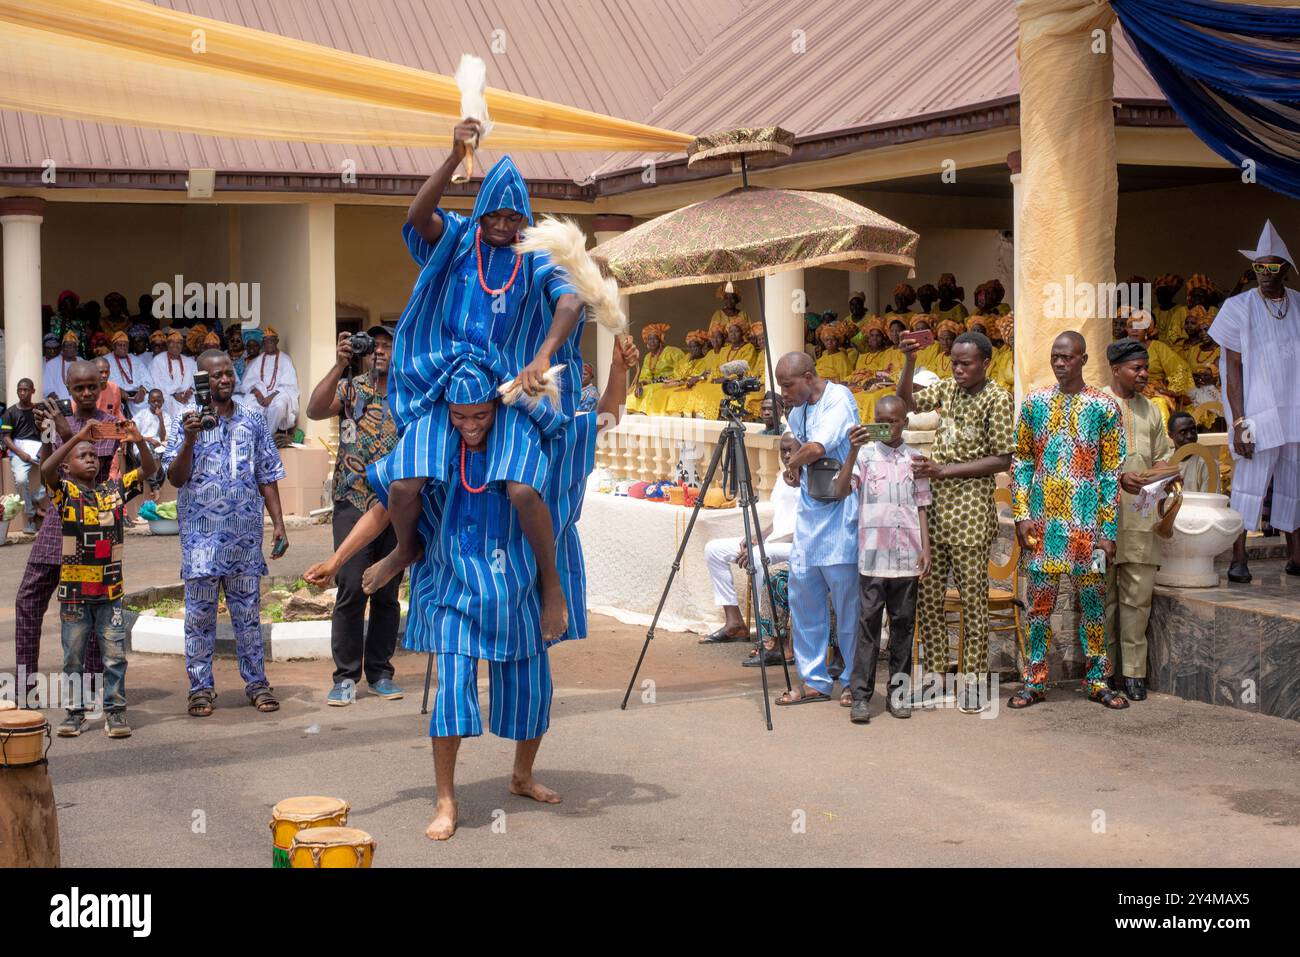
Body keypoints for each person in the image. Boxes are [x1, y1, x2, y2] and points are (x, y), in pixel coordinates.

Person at [311, 337, 639, 840]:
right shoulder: (435, 445)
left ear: (497, 406)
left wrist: (618, 370)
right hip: (453, 587)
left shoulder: (527, 439)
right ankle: (446, 800)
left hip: (518, 586)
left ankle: (522, 775)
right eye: (460, 416)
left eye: (480, 416)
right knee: (452, 694)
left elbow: (601, 424)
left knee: (531, 693)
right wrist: (338, 560)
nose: (469, 426)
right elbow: (384, 505)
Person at [373, 121, 586, 622]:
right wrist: (453, 156)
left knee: (521, 489)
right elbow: (416, 215)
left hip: (510, 389)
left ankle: (551, 585)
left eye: (515, 216)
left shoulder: (536, 255)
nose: (504, 224)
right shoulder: (457, 237)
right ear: (481, 209)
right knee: (404, 485)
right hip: (449, 386)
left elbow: (572, 302)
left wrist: (543, 355)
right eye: (495, 214)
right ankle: (406, 549)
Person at [162, 350, 288, 717]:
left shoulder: (253, 417)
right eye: (215, 375)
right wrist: (188, 439)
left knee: (248, 616)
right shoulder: (182, 421)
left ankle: (257, 683)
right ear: (200, 379)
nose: (224, 379)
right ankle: (200, 688)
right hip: (200, 542)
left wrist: (278, 523)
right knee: (199, 618)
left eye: (229, 373)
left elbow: (267, 473)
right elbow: (174, 477)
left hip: (246, 539)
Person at [897, 330, 1014, 712]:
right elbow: (906, 402)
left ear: (985, 362)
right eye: (954, 363)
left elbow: (1002, 459)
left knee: (973, 605)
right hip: (936, 513)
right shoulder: (948, 389)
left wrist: (943, 470)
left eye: (966, 363)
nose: (959, 369)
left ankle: (975, 683)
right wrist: (911, 361)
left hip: (971, 516)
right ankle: (934, 679)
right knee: (929, 602)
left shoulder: (997, 399)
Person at [1010, 332, 1126, 710]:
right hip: (1043, 529)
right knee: (1039, 605)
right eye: (1055, 357)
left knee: (1093, 603)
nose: (1060, 363)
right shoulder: (1034, 403)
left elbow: (1111, 473)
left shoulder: (1104, 407)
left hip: (1088, 529)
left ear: (1083, 359)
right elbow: (1022, 462)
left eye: (1067, 357)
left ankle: (1097, 680)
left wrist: (1107, 533)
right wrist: (1022, 514)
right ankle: (1035, 681)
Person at [303, 328, 404, 706]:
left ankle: (380, 671)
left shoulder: (407, 393)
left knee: (387, 592)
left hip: (396, 505)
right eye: (374, 345)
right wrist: (339, 363)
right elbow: (314, 410)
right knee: (349, 587)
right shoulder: (350, 389)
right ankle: (345, 675)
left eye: (387, 345)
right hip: (352, 501)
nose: (380, 351)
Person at [41, 417, 154, 738]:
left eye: (93, 454)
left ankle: (115, 713)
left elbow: (149, 469)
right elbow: (47, 469)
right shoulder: (65, 493)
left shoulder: (114, 491)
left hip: (110, 593)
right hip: (75, 595)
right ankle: (75, 714)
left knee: (115, 657)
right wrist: (77, 435)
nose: (90, 458)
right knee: (73, 659)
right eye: (82, 455)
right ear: (68, 467)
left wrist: (137, 440)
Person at [15, 364, 117, 704]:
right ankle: (25, 683)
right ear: (69, 389)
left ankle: (90, 686)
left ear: (101, 385)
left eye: (91, 387)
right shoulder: (58, 421)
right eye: (79, 388)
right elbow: (48, 467)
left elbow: (95, 469)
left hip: (90, 528)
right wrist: (48, 431)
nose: (86, 394)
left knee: (87, 606)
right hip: (56, 524)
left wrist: (63, 429)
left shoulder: (109, 425)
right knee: (28, 600)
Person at [828, 395, 931, 724]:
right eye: (880, 421)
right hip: (872, 558)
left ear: (905, 422)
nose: (886, 427)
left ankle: (898, 695)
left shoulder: (916, 459)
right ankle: (860, 696)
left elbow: (923, 506)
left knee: (903, 628)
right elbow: (839, 491)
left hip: (907, 558)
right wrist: (853, 450)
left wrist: (925, 549)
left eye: (893, 422)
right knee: (868, 629)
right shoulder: (865, 457)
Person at [1210, 220, 1300, 582]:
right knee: (1249, 485)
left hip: (1294, 413)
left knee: (1294, 482)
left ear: (1286, 271)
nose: (1264, 273)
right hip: (1257, 415)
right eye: (1258, 267)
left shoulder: (1297, 304)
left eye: (1272, 267)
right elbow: (1233, 369)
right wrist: (1239, 422)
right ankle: (1238, 557)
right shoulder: (1238, 307)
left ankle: (1295, 556)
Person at [773, 351, 861, 706]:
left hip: (840, 516)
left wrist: (795, 460)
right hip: (809, 517)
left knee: (847, 605)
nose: (784, 392)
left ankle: (856, 678)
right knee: (804, 600)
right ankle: (814, 680)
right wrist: (793, 470)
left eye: (788, 384)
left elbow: (817, 447)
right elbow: (799, 451)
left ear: (809, 376)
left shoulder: (839, 398)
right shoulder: (797, 410)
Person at [1103, 338, 1172, 702]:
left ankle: (1134, 673)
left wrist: (1156, 475)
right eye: (1137, 368)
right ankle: (1105, 672)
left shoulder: (1153, 410)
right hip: (1101, 519)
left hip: (1142, 520)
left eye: (1145, 367)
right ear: (1116, 370)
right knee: (1103, 600)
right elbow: (1080, 462)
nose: (1144, 374)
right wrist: (1118, 477)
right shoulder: (1094, 405)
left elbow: (1165, 458)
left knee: (1137, 600)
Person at [701, 433, 801, 645]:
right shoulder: (782, 477)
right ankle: (734, 623)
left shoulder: (811, 478)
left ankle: (768, 633)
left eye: (791, 449)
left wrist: (766, 545)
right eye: (783, 450)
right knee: (713, 549)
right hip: (774, 543)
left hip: (797, 545)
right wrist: (757, 536)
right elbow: (779, 520)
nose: (786, 455)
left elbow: (806, 528)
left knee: (758, 557)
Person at [1119, 308, 1191, 425]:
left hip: (1154, 393)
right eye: (1131, 326)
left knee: (1159, 405)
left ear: (1147, 330)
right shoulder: (1121, 348)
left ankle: (1162, 442)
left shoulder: (1158, 347)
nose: (1135, 330)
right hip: (1127, 390)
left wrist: (1171, 391)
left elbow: (1179, 368)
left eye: (1140, 326)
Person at [238, 327, 299, 442]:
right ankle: (250, 436)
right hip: (260, 394)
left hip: (278, 394)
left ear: (277, 342)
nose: (268, 344)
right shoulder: (257, 361)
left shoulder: (285, 360)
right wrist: (257, 393)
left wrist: (271, 397)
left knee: (279, 405)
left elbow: (289, 385)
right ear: (263, 344)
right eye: (266, 342)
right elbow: (248, 383)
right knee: (247, 403)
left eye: (271, 341)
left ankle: (268, 437)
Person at [2, 378, 44, 534]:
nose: (22, 393)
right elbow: (6, 437)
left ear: (32, 391)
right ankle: (31, 516)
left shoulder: (39, 410)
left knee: (59, 472)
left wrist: (43, 449)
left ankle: (33, 499)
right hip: (19, 451)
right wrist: (21, 454)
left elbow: (47, 432)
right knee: (20, 479)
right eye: (19, 390)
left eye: (26, 390)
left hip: (38, 449)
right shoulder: (10, 412)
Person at [1181, 305, 1223, 429]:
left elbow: (1213, 373)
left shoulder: (1221, 351)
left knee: (1207, 412)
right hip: (1193, 393)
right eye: (1200, 331)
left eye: (1207, 330)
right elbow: (1183, 370)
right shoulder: (1192, 350)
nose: (1203, 334)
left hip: (1215, 393)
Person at [629, 323, 684, 415]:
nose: (652, 341)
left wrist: (674, 380)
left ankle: (646, 413)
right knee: (633, 390)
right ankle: (635, 413)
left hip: (669, 383)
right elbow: (645, 375)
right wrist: (641, 383)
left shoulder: (672, 352)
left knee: (650, 390)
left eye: (655, 338)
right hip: (654, 383)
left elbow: (683, 367)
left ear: (660, 340)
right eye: (650, 339)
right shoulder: (648, 357)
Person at [661, 330, 712, 416]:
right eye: (691, 347)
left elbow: (703, 376)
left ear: (702, 347)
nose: (693, 349)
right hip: (679, 384)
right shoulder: (687, 358)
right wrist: (689, 361)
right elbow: (678, 373)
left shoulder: (706, 360)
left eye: (696, 347)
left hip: (696, 387)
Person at [149, 330, 196, 421]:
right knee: (166, 402)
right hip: (168, 396)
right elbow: (156, 384)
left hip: (187, 397)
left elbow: (195, 382)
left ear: (183, 346)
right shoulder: (158, 360)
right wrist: (174, 394)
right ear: (167, 344)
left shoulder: (190, 362)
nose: (176, 345)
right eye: (172, 342)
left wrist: (190, 391)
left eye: (179, 343)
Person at [106, 331, 150, 409]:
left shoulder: (135, 359)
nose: (123, 348)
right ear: (113, 346)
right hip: (119, 395)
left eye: (125, 345)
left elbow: (147, 378)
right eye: (120, 345)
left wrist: (143, 391)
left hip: (138, 396)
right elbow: (104, 381)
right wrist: (118, 390)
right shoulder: (106, 360)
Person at [1169, 411, 1209, 492]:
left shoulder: (1206, 462)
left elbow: (1209, 500)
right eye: (1183, 432)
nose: (1190, 436)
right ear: (1170, 435)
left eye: (1193, 430)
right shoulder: (1165, 461)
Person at [42, 331, 80, 401]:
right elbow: (47, 387)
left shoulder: (83, 363)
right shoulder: (52, 364)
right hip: (60, 404)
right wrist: (56, 399)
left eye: (71, 346)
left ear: (76, 348)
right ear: (62, 348)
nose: (69, 349)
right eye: (66, 346)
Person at [1153, 273, 1188, 347]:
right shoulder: (1154, 311)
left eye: (1164, 293)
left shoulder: (1181, 310)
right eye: (1159, 293)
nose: (1161, 296)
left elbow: (1183, 333)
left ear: (1171, 294)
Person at [989, 313, 1015, 391]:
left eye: (1015, 337)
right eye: (1011, 338)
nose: (1013, 341)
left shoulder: (1024, 354)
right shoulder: (1004, 356)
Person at [94, 357, 124, 421]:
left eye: (106, 372)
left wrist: (124, 424)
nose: (104, 375)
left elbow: (117, 411)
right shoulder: (87, 390)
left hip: (110, 425)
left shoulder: (114, 388)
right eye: (101, 372)